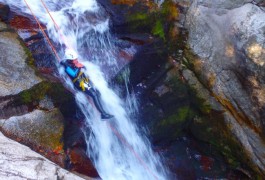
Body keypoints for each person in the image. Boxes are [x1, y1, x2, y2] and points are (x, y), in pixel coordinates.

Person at [60, 49, 114, 119]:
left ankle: (102, 108)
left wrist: (81, 66)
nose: (76, 60)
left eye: (76, 59)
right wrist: (78, 67)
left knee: (97, 93)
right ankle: (103, 114)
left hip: (83, 80)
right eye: (74, 59)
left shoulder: (72, 63)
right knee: (94, 94)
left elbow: (82, 68)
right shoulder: (67, 66)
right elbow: (74, 75)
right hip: (79, 83)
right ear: (70, 60)